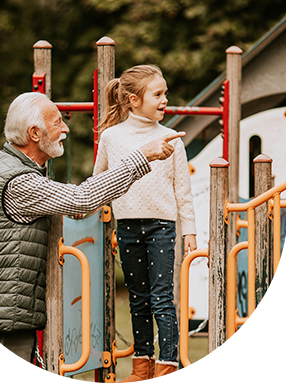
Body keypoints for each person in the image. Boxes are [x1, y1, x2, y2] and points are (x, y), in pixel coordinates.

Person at [0, 91, 184, 383]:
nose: (66, 128)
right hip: (7, 315)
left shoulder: (13, 164)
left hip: (10, 309)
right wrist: (141, 157)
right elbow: (81, 199)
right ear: (34, 133)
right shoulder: (20, 181)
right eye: (57, 123)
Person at [93, 65, 197, 383]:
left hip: (162, 227)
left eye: (165, 93)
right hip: (126, 226)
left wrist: (189, 228)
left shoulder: (170, 138)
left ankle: (166, 369)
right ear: (135, 100)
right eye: (158, 94)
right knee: (138, 298)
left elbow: (183, 187)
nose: (165, 99)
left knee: (162, 298)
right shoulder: (111, 137)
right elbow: (100, 180)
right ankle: (143, 366)